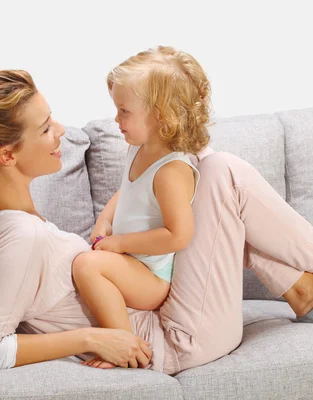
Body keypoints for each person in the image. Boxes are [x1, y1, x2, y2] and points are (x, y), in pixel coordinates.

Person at [0, 47, 313, 374]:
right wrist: (92, 338)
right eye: (46, 128)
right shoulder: (16, 236)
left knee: (209, 180)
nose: (61, 131)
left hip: (163, 308)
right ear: (7, 155)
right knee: (221, 172)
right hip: (171, 340)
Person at [71, 46, 206, 369]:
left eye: (124, 111)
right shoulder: (140, 148)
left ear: (161, 115)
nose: (116, 119)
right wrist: (105, 220)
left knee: (87, 266)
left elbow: (177, 235)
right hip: (132, 262)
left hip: (151, 276)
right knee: (80, 259)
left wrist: (120, 243)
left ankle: (124, 346)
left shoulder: (172, 170)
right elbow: (127, 191)